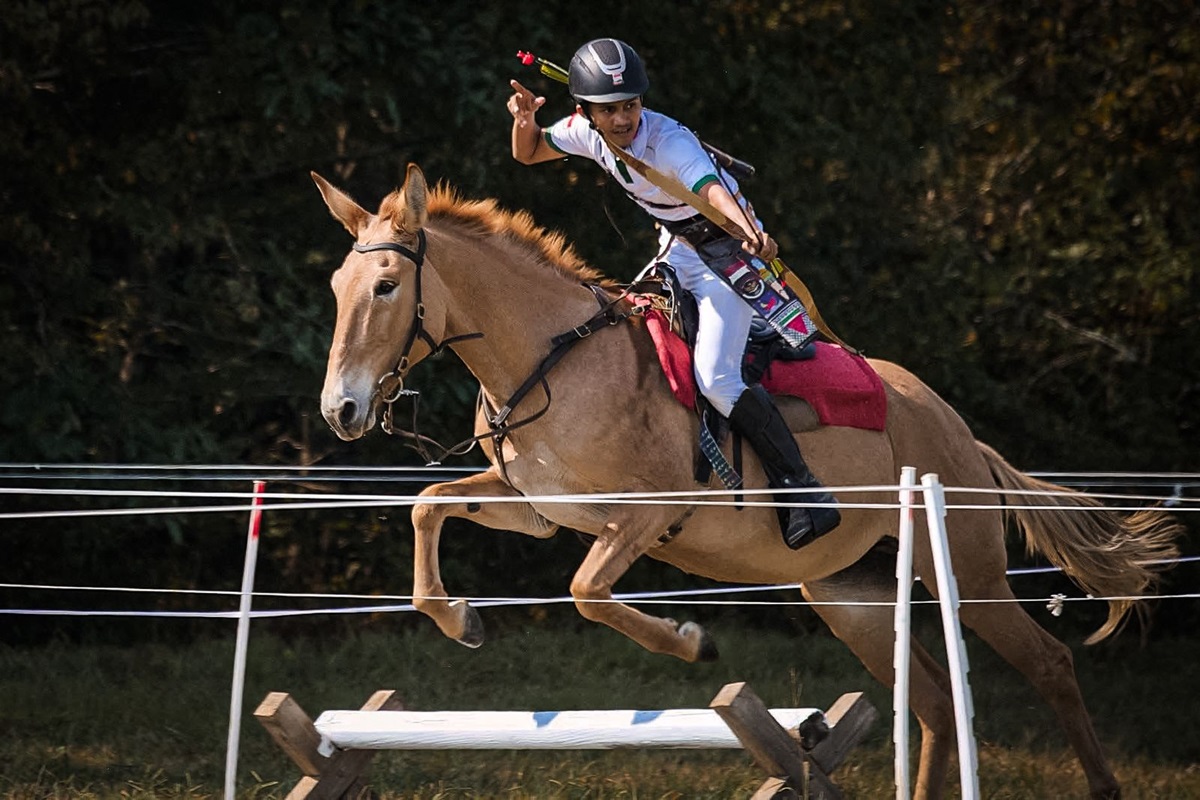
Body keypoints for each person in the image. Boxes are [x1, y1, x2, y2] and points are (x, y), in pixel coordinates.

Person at [506, 38, 839, 549]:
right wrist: (524, 119)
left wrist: (746, 229)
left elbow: (709, 188)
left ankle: (803, 490)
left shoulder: (669, 142)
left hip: (727, 252)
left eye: (631, 105)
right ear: (585, 111)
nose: (623, 119)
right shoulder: (581, 132)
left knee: (716, 377)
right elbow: (527, 154)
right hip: (678, 245)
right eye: (610, 110)